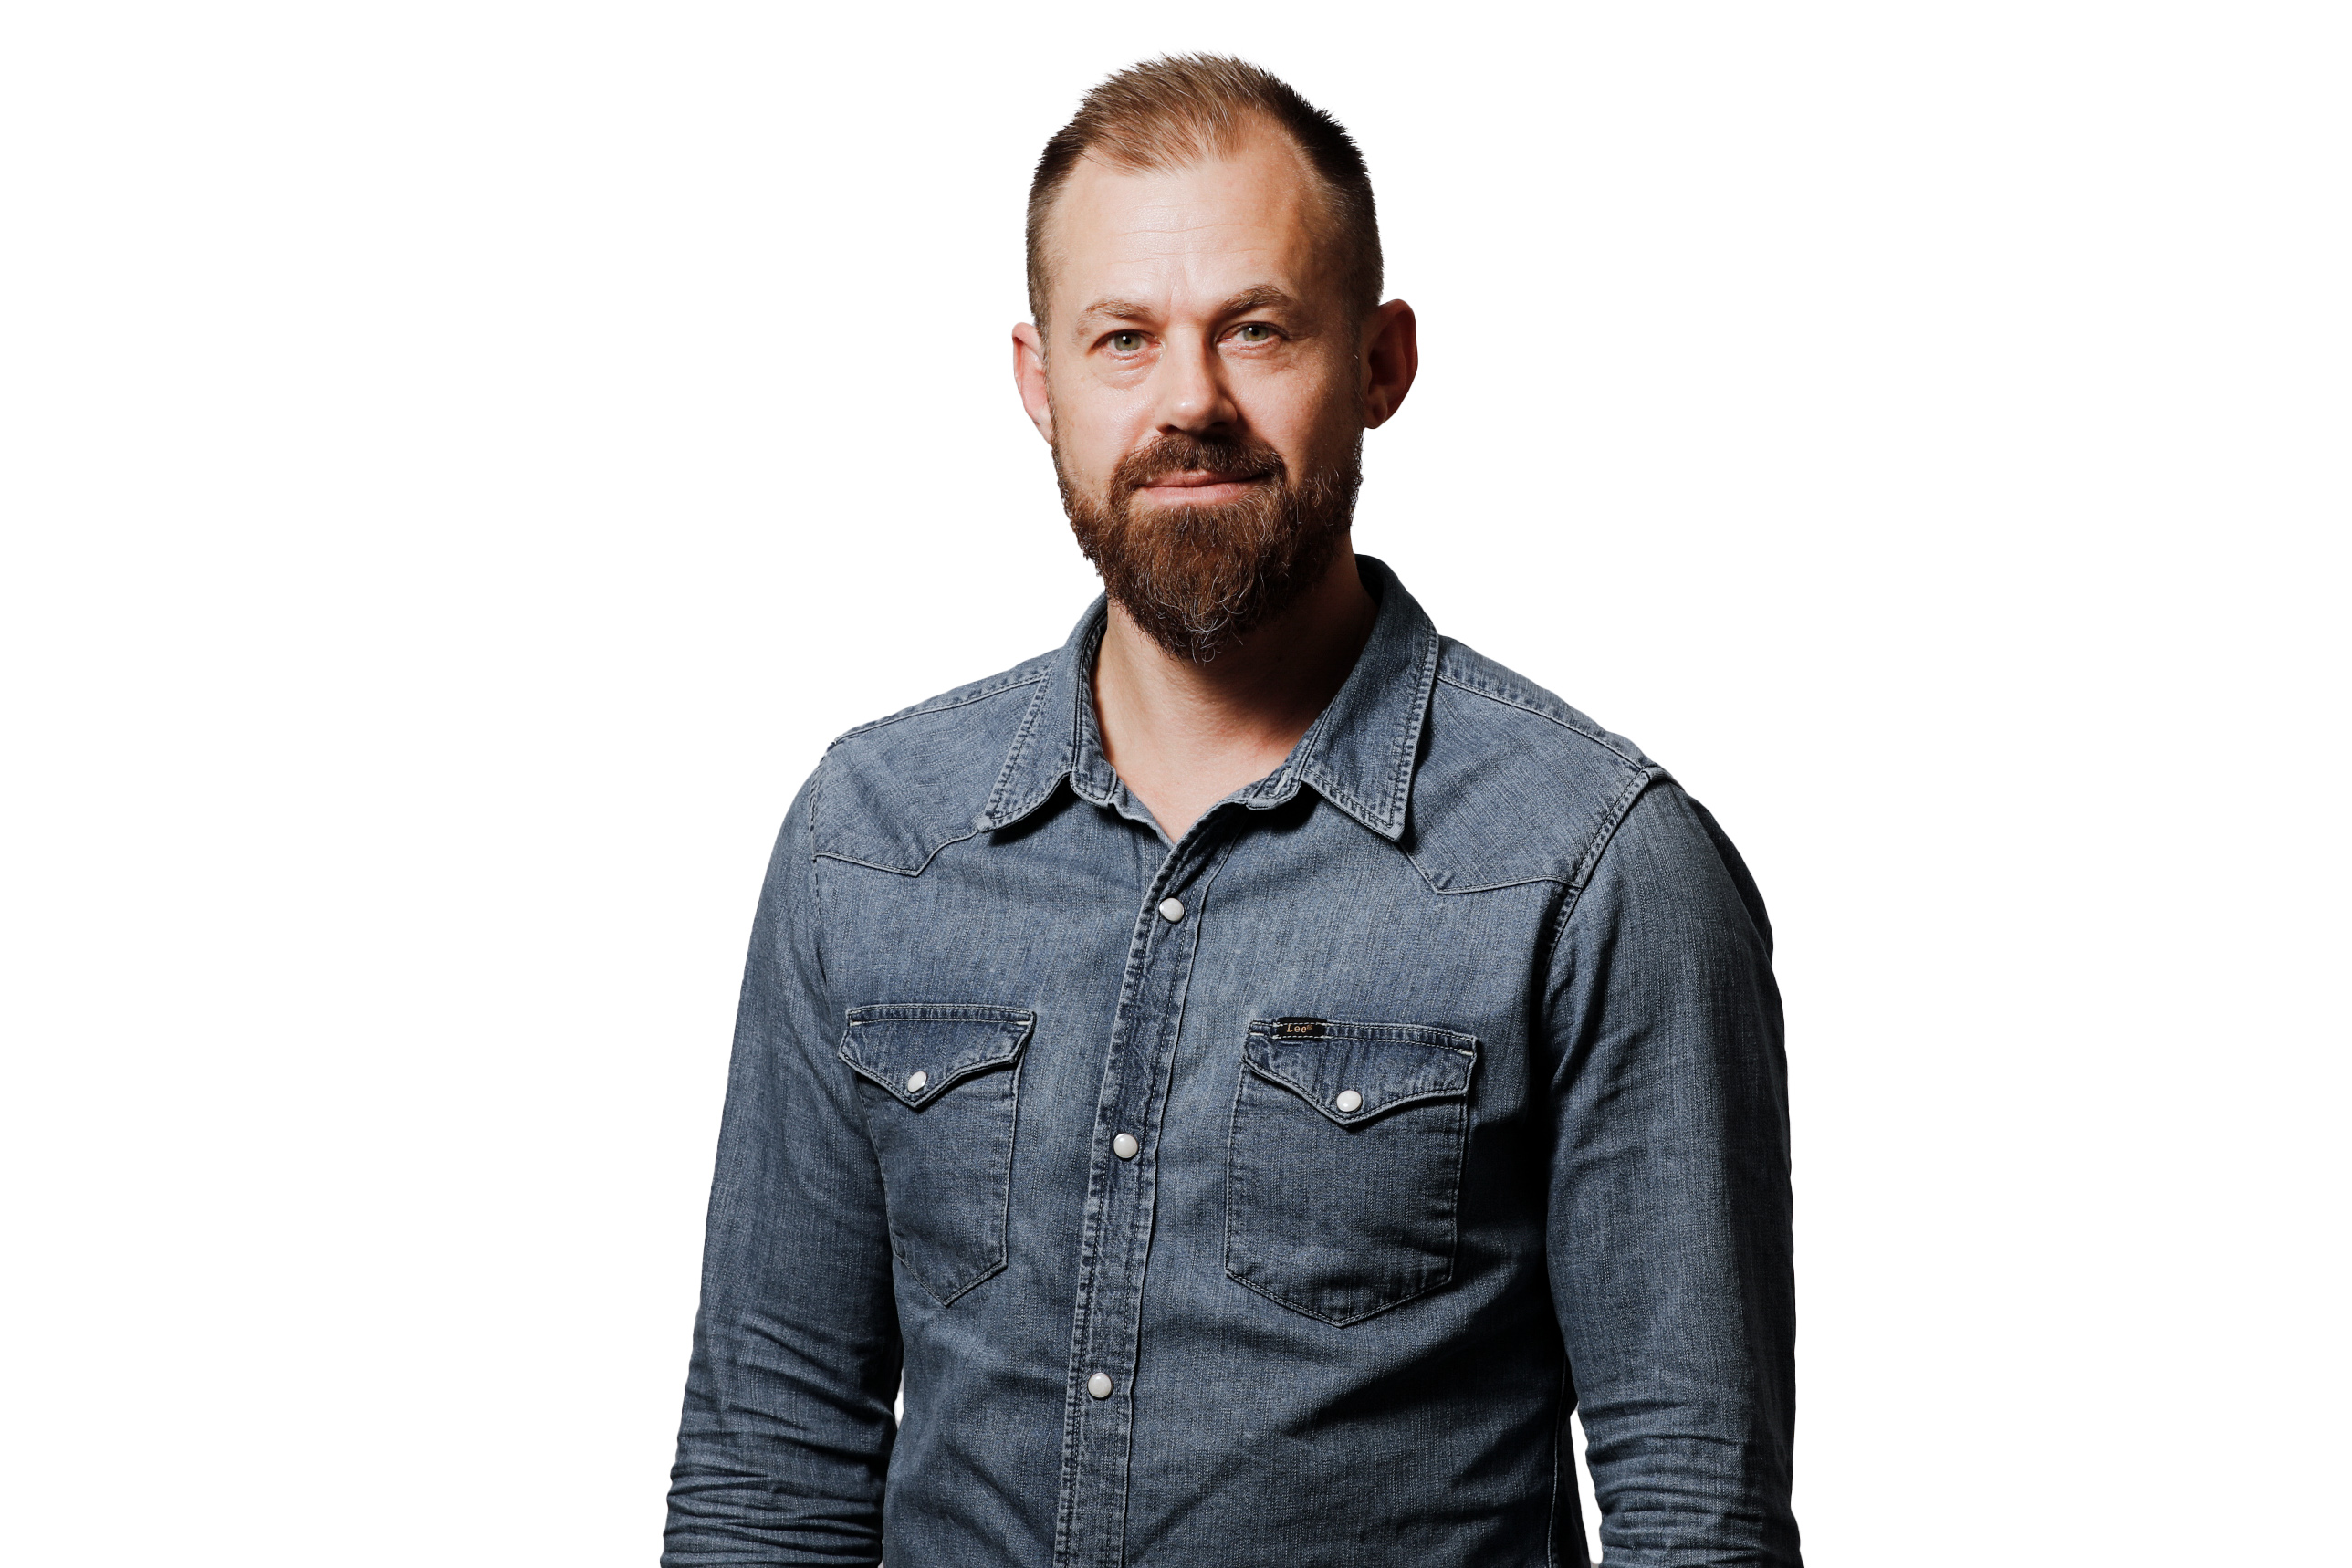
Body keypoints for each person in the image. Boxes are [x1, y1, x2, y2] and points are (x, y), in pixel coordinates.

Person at [662, 54, 1799, 1568]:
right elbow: (767, 1466)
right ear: (1038, 382)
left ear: (1380, 363)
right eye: (1122, 338)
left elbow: (1694, 1518)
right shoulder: (867, 839)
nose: (1188, 400)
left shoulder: (1595, 868)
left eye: (1255, 329)